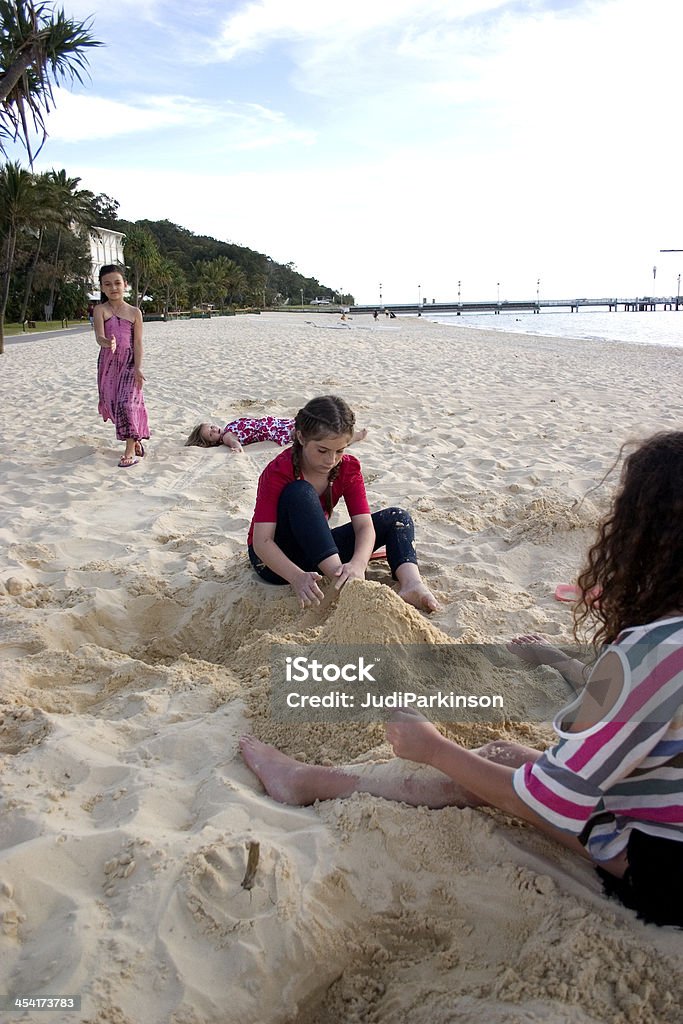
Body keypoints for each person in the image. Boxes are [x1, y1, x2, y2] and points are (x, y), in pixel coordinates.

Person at [241, 431, 683, 927]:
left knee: (488, 768)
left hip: (662, 872)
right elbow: (652, 709)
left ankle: (307, 781)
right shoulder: (660, 648)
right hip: (657, 818)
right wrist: (562, 663)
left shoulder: (648, 652)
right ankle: (319, 780)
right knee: (503, 754)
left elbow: (553, 799)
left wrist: (434, 748)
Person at [247, 394, 439, 613]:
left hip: (318, 551)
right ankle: (346, 583)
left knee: (397, 518)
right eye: (322, 450)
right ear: (300, 437)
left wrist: (358, 564)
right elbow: (262, 542)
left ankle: (411, 584)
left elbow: (364, 526)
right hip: (276, 561)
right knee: (300, 492)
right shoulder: (278, 471)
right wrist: (297, 577)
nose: (331, 460)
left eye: (340, 450)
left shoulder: (347, 468)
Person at [94, 265, 149, 468]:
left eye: (117, 283)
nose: (113, 287)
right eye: (107, 284)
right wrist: (107, 342)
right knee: (114, 405)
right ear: (101, 287)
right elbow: (99, 337)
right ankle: (134, 440)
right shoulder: (101, 310)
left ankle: (128, 450)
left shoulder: (135, 312)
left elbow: (138, 342)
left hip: (129, 364)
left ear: (125, 285)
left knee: (127, 405)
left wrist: (138, 367)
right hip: (108, 365)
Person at [185, 417, 368, 452]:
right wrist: (237, 447)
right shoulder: (227, 437)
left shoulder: (227, 426)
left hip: (276, 423)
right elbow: (234, 442)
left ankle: (338, 430)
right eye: (210, 435)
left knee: (309, 424)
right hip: (275, 431)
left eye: (211, 427)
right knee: (309, 434)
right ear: (212, 442)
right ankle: (350, 437)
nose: (213, 430)